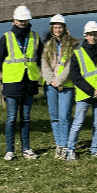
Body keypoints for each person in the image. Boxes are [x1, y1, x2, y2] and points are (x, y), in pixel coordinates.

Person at [0, 5, 43, 161]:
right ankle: (10, 150)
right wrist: (10, 72)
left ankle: (26, 149)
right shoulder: (6, 37)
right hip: (12, 83)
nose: (22, 23)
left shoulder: (35, 37)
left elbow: (40, 57)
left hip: (29, 82)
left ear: (29, 20)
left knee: (26, 118)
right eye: (20, 20)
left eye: (25, 20)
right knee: (11, 118)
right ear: (14, 21)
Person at [65, 21, 97, 161]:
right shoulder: (77, 54)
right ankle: (70, 150)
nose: (93, 37)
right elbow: (76, 77)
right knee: (78, 123)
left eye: (95, 35)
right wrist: (91, 91)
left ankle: (95, 149)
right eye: (90, 35)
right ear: (85, 36)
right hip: (84, 95)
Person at [41, 14, 80, 160]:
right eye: (55, 27)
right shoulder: (47, 44)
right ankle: (58, 144)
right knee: (55, 118)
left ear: (64, 28)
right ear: (52, 28)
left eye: (60, 27)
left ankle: (64, 145)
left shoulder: (72, 44)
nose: (57, 30)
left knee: (64, 117)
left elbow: (71, 65)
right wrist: (51, 81)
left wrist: (60, 81)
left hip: (66, 86)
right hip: (51, 86)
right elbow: (44, 64)